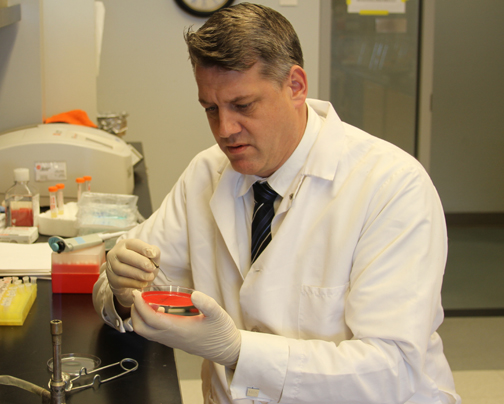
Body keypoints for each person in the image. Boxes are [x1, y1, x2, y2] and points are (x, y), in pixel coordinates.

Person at [93, 3, 461, 403]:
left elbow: (390, 371)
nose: (225, 130)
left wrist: (239, 351)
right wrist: (121, 294)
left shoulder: (391, 186)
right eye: (211, 109)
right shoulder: (207, 173)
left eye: (243, 106)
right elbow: (131, 286)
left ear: (296, 86)